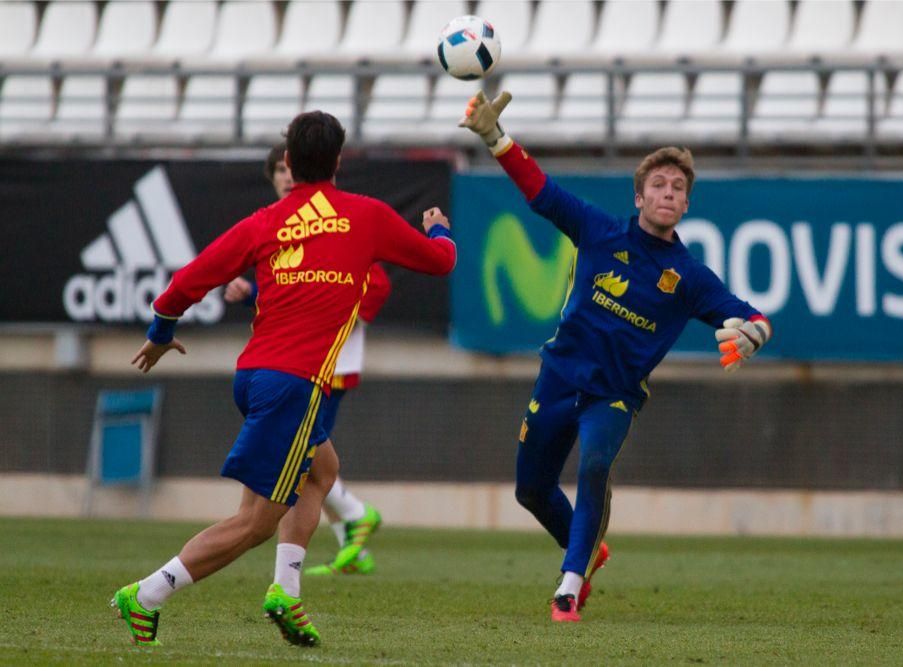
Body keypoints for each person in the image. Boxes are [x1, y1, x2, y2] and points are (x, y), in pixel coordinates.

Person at [111, 110, 457, 647]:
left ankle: (285, 594)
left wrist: (160, 330)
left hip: (253, 374)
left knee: (322, 474)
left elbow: (189, 278)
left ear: (290, 164)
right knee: (255, 523)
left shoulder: (266, 221)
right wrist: (438, 229)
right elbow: (439, 262)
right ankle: (148, 593)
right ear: (339, 161)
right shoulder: (366, 216)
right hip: (293, 386)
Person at [460, 92, 773, 622]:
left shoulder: (690, 278)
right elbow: (541, 191)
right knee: (531, 490)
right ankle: (590, 549)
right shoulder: (598, 231)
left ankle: (569, 584)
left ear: (687, 204)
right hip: (558, 379)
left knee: (596, 466)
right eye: (659, 184)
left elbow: (751, 314)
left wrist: (754, 335)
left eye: (678, 188)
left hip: (613, 397)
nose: (668, 193)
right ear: (639, 196)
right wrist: (495, 138)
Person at [225, 142, 390, 576]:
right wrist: (252, 296)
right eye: (277, 169)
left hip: (324, 365)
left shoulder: (332, 220)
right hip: (287, 365)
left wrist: (338, 312)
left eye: (288, 166)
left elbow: (371, 283)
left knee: (301, 461)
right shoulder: (272, 225)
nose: (283, 175)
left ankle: (353, 519)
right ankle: (350, 533)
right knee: (310, 461)